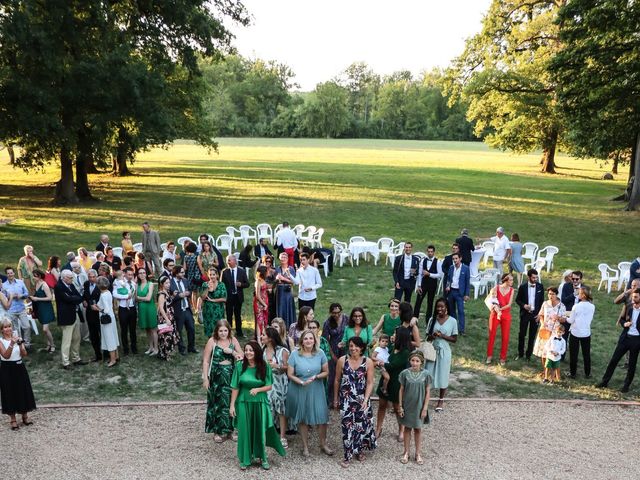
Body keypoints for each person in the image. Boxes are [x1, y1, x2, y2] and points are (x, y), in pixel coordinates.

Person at [230, 341, 286, 470]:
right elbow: (235, 386)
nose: (248, 352)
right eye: (246, 350)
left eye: (251, 350)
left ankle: (262, 457)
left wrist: (258, 389)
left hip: (260, 402)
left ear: (257, 352)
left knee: (260, 430)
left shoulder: (264, 366)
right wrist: (232, 405)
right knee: (244, 430)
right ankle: (245, 459)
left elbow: (269, 385)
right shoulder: (239, 366)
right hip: (243, 402)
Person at [286, 330, 333, 458]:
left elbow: (326, 372)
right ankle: (305, 446)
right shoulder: (295, 354)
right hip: (300, 387)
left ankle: (323, 444)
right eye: (306, 339)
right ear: (302, 341)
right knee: (303, 417)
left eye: (311, 338)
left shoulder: (320, 353)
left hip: (316, 387)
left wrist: (316, 376)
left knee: (322, 416)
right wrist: (300, 381)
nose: (308, 341)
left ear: (314, 340)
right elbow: (290, 374)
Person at [333, 336, 377, 468]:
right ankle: (347, 455)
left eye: (356, 346)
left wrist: (366, 399)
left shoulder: (368, 362)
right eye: (351, 346)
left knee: (361, 426)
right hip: (346, 399)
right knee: (347, 427)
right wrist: (335, 398)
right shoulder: (342, 360)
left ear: (362, 347)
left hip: (361, 399)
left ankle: (359, 450)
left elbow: (370, 383)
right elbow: (336, 380)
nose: (353, 348)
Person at [203, 320, 243, 443]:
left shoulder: (233, 340)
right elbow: (206, 361)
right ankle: (217, 431)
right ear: (217, 331)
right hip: (216, 375)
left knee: (231, 402)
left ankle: (231, 430)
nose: (223, 333)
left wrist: (232, 352)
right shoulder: (212, 341)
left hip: (230, 375)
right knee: (217, 402)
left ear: (229, 330)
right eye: (221, 331)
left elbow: (241, 355)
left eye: (225, 330)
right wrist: (205, 378)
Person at [597, 288, 640, 393]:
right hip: (625, 338)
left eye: (635, 297)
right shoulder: (629, 307)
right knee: (614, 360)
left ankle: (626, 385)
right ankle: (604, 382)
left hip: (636, 340)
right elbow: (621, 319)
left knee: (631, 364)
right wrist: (624, 324)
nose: (632, 299)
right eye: (632, 296)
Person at [375, 327, 412, 440]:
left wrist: (381, 364)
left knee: (397, 407)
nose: (393, 335)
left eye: (395, 334)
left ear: (400, 336)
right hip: (386, 379)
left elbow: (393, 365)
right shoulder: (391, 347)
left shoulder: (405, 352)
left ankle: (401, 430)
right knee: (382, 405)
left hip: (396, 381)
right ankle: (378, 428)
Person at [0, 319, 36, 430]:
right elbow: (6, 355)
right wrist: (11, 344)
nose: (8, 329)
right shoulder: (1, 341)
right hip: (7, 368)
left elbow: (24, 354)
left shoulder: (17, 338)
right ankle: (13, 419)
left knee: (23, 390)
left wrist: (20, 345)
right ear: (1, 330)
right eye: (5, 327)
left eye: (9, 326)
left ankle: (25, 416)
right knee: (9, 391)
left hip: (19, 367)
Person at [398, 350, 431, 465]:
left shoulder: (426, 374)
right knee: (407, 428)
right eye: (412, 360)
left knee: (418, 429)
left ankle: (418, 453)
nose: (414, 363)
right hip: (408, 405)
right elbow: (401, 389)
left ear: (421, 362)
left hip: (420, 406)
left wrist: (425, 408)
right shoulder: (404, 373)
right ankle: (406, 452)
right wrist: (400, 406)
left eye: (417, 361)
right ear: (409, 361)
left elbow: (428, 392)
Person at [425, 298, 458, 411]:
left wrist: (442, 335)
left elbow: (454, 339)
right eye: (438, 307)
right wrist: (433, 336)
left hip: (444, 350)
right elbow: (427, 337)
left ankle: (441, 400)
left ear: (446, 308)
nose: (439, 309)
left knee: (443, 374)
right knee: (428, 373)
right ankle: (425, 398)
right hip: (432, 349)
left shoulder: (452, 321)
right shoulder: (432, 319)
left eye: (442, 307)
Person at [261, 326, 290, 448]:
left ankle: (283, 436)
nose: (261, 337)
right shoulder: (262, 350)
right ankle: (268, 434)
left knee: (281, 409)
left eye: (263, 335)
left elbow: (288, 367)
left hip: (279, 383)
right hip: (267, 383)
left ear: (270, 338)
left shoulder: (282, 350)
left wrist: (276, 365)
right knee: (267, 408)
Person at [54, 270, 88, 369]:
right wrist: (75, 298)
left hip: (75, 314)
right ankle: (65, 362)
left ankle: (76, 358)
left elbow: (78, 296)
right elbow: (67, 299)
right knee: (67, 340)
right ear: (64, 277)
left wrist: (75, 298)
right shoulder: (59, 286)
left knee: (77, 338)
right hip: (67, 317)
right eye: (70, 277)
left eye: (72, 277)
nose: (72, 279)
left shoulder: (71, 285)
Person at [563, 286, 595, 379]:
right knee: (586, 354)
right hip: (586, 333)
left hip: (575, 332)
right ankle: (587, 373)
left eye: (579, 293)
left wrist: (565, 317)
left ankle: (573, 373)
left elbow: (570, 320)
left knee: (573, 354)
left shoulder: (576, 306)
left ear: (584, 295)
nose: (578, 294)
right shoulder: (592, 306)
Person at [532, 287, 566, 372]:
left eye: (552, 294)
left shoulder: (561, 306)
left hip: (555, 331)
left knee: (553, 351)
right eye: (549, 294)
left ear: (556, 294)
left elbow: (564, 319)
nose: (550, 296)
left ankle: (552, 372)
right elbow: (541, 315)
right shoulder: (545, 304)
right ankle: (545, 370)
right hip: (545, 330)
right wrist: (542, 323)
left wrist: (558, 318)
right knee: (543, 351)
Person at [514, 269, 545, 362]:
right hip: (525, 314)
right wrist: (524, 306)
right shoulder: (523, 287)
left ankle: (528, 355)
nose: (535, 279)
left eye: (536, 277)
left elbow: (542, 302)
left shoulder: (540, 286)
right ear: (528, 277)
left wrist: (540, 314)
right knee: (522, 334)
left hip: (535, 315)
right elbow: (517, 300)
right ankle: (520, 354)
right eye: (533, 277)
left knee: (532, 335)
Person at [321, 303, 348, 405]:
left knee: (344, 374)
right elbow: (325, 339)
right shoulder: (327, 322)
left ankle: (343, 399)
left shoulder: (346, 319)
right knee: (332, 375)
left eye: (338, 312)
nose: (336, 315)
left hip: (345, 349)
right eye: (334, 313)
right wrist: (332, 354)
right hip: (333, 348)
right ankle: (331, 400)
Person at [485, 274, 515, 365]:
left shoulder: (512, 290)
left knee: (505, 337)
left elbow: (509, 304)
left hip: (505, 314)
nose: (512, 282)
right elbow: (489, 299)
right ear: (506, 280)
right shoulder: (496, 288)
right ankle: (489, 356)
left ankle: (503, 358)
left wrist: (500, 309)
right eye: (511, 280)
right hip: (495, 314)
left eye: (512, 280)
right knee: (492, 334)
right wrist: (495, 309)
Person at [93, 276, 119, 367]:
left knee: (109, 338)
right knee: (113, 336)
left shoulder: (103, 295)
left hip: (106, 319)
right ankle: (116, 356)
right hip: (111, 318)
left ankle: (112, 360)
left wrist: (98, 309)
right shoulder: (108, 292)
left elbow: (106, 309)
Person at [169, 265, 196, 355]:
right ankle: (181, 348)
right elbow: (169, 297)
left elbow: (189, 291)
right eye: (181, 272)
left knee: (191, 328)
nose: (183, 274)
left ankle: (191, 347)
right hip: (178, 310)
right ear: (176, 273)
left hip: (187, 308)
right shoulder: (170, 282)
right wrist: (178, 296)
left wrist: (188, 293)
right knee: (179, 330)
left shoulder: (185, 280)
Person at [3, 267, 32, 349]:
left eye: (11, 273)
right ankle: (19, 345)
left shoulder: (20, 282)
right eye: (8, 273)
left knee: (27, 326)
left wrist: (21, 296)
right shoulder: (4, 285)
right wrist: (10, 297)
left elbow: (26, 293)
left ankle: (27, 343)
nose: (10, 274)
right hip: (11, 310)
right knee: (15, 330)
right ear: (6, 274)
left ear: (14, 273)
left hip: (21, 308)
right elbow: (3, 298)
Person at [221, 255, 250, 338]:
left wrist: (241, 284)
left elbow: (247, 284)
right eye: (227, 260)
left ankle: (239, 332)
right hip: (229, 297)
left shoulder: (241, 271)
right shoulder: (225, 272)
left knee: (238, 315)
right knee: (229, 315)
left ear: (234, 261)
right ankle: (228, 332)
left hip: (238, 296)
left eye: (229, 260)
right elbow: (221, 285)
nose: (228, 262)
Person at [112, 267, 138, 355]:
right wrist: (126, 297)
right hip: (123, 309)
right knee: (124, 329)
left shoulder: (134, 284)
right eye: (129, 274)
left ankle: (134, 348)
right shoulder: (118, 282)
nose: (130, 276)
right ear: (125, 274)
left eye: (132, 275)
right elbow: (114, 294)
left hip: (132, 308)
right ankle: (125, 349)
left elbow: (135, 296)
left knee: (133, 329)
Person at [29, 269, 55, 353]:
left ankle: (53, 345)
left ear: (39, 276)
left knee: (45, 329)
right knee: (45, 329)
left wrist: (37, 298)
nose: (33, 278)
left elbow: (50, 297)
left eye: (35, 276)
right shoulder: (36, 284)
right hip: (39, 309)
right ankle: (48, 345)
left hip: (46, 309)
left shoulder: (44, 285)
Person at [414, 245, 442, 321]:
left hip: (432, 285)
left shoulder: (438, 261)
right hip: (423, 284)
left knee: (430, 303)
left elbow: (440, 275)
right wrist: (419, 285)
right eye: (428, 252)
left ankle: (428, 321)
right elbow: (419, 273)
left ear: (434, 252)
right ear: (427, 252)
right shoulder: (423, 260)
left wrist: (429, 274)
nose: (430, 253)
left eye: (431, 252)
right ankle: (415, 319)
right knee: (418, 302)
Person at [445, 252, 470, 334]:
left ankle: (462, 330)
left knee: (461, 311)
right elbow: (448, 279)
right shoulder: (451, 268)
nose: (455, 260)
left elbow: (467, 282)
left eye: (456, 258)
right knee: (451, 311)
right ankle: (454, 328)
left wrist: (466, 294)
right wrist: (448, 286)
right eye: (453, 259)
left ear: (460, 258)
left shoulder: (465, 268)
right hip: (451, 291)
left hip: (460, 293)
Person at [156, 276, 179, 360]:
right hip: (165, 317)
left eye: (169, 282)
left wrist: (172, 296)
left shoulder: (167, 292)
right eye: (166, 283)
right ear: (162, 284)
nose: (168, 284)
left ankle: (167, 353)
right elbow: (161, 308)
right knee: (166, 335)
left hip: (170, 315)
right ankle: (165, 354)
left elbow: (168, 303)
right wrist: (166, 319)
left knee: (169, 335)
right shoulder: (161, 294)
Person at [136, 268, 158, 356]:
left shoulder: (150, 284)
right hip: (142, 309)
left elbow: (149, 298)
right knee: (147, 329)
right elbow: (134, 298)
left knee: (153, 329)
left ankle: (156, 349)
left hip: (150, 308)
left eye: (143, 272)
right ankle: (151, 347)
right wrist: (139, 298)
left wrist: (139, 298)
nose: (142, 274)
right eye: (140, 273)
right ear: (138, 275)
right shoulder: (137, 285)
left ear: (146, 274)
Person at [200, 267, 227, 338]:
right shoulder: (205, 284)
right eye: (210, 274)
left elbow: (224, 299)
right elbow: (202, 297)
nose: (212, 276)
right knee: (210, 330)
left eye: (213, 274)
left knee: (219, 328)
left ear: (217, 275)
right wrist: (207, 289)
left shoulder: (221, 285)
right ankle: (211, 345)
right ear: (208, 275)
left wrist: (213, 300)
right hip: (208, 310)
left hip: (218, 310)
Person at [275, 252, 297, 328]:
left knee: (288, 308)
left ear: (287, 259)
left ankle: (289, 326)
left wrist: (283, 278)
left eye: (285, 257)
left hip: (288, 291)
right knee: (280, 308)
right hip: (279, 291)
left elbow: (293, 281)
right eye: (282, 257)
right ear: (279, 259)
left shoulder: (291, 269)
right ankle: (280, 326)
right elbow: (275, 281)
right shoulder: (277, 269)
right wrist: (277, 279)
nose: (283, 259)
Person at [253, 266, 269, 340]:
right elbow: (257, 295)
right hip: (259, 303)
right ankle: (259, 339)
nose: (268, 272)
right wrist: (264, 304)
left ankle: (263, 337)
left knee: (264, 320)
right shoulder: (258, 281)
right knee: (259, 321)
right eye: (267, 271)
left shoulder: (264, 280)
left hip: (265, 302)